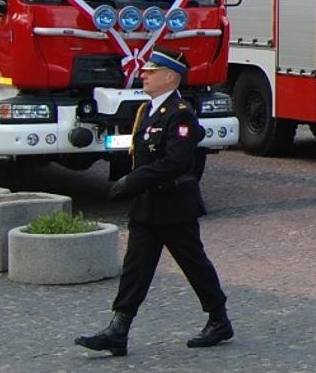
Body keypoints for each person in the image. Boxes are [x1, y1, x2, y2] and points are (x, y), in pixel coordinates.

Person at [76, 47, 231, 356]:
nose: (144, 74)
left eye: (152, 71)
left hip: (175, 205)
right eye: (145, 70)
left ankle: (219, 318)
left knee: (193, 264)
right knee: (136, 268)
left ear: (170, 77)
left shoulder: (180, 112)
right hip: (148, 205)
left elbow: (175, 161)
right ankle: (118, 329)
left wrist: (131, 182)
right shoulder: (146, 110)